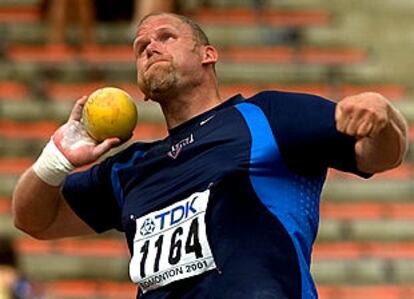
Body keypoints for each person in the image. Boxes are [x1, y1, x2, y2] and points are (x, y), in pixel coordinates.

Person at [12, 12, 408, 299]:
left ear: (208, 54)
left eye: (166, 37)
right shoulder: (131, 167)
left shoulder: (268, 116)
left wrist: (383, 117)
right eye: (140, 48)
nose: (150, 46)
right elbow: (35, 220)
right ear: (143, 90)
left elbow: (379, 157)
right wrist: (57, 157)